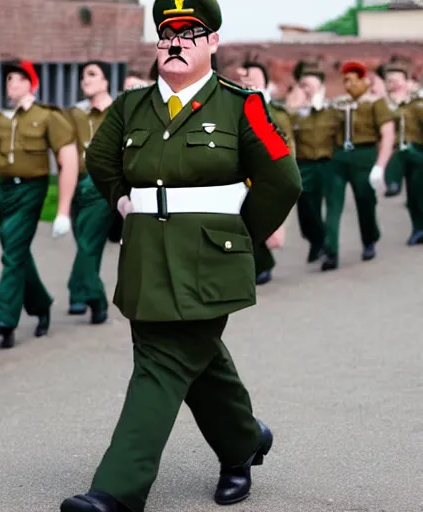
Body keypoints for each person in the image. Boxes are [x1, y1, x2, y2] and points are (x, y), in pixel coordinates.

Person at [59, 0, 301, 510]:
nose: (176, 42)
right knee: (198, 361)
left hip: (210, 259)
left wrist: (241, 237)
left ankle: (116, 492)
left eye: (191, 33)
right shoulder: (131, 107)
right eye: (167, 33)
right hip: (147, 257)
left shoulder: (242, 105)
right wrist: (122, 198)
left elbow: (282, 179)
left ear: (213, 43)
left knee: (162, 362)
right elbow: (101, 159)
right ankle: (242, 443)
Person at [0, 60, 78, 348]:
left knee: (11, 255)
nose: (13, 84)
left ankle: (5, 318)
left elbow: (68, 160)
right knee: (16, 252)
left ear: (32, 84)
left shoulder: (48, 117)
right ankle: (41, 304)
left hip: (32, 190)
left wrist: (62, 211)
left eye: (19, 79)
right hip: (4, 192)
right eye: (9, 79)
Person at [322, 61, 396, 271]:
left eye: (353, 80)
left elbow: (387, 133)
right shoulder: (338, 103)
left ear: (364, 81)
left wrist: (380, 165)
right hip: (339, 155)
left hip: (364, 154)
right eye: (345, 80)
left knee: (365, 201)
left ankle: (370, 238)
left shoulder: (375, 103)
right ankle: (331, 250)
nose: (348, 85)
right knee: (333, 203)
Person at [235, 58, 295, 285]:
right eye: (244, 77)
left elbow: (287, 148)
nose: (248, 81)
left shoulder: (276, 113)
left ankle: (262, 264)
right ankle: (257, 264)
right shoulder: (234, 107)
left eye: (254, 77)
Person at [64, 62, 115, 322]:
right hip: (75, 182)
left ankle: (88, 295)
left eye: (92, 75)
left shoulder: (119, 112)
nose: (86, 80)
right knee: (87, 244)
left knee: (87, 243)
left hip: (102, 185)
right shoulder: (74, 114)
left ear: (106, 82)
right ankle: (87, 297)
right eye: (83, 76)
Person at [290, 60, 337, 263]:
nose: (306, 90)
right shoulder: (295, 112)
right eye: (303, 85)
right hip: (304, 163)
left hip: (328, 162)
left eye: (310, 85)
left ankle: (328, 246)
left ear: (321, 87)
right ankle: (315, 240)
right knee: (306, 208)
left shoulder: (332, 109)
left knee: (332, 206)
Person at [383, 59, 423, 245]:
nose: (394, 83)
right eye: (390, 80)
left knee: (418, 192)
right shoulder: (384, 106)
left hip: (418, 151)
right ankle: (417, 228)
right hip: (399, 153)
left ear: (407, 82)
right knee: (413, 196)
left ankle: (392, 183)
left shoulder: (417, 103)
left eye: (398, 79)